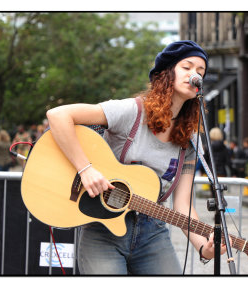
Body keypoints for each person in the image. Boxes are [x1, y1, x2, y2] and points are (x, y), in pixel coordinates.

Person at [46, 40, 229, 275]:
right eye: (187, 67)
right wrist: (86, 169)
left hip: (153, 231)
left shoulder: (191, 139)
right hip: (103, 229)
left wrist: (205, 247)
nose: (195, 75)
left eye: (200, 72)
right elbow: (58, 115)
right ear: (167, 73)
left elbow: (183, 205)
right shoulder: (131, 111)